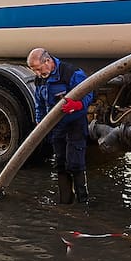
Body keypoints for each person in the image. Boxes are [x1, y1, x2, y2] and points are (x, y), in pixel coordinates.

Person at [27, 48, 93, 204]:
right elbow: (40, 103)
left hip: (75, 123)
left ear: (47, 61)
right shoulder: (41, 78)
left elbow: (89, 93)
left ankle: (83, 202)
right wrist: (39, 121)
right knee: (60, 164)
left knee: (75, 164)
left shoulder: (71, 73)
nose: (37, 73)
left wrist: (78, 105)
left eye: (38, 68)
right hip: (56, 126)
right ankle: (65, 202)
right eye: (34, 70)